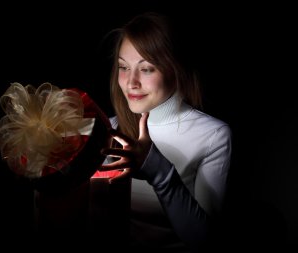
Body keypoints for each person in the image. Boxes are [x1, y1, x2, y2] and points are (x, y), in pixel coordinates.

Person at [99, 12, 232, 252]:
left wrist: (159, 171)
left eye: (147, 69)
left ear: (175, 69)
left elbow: (206, 241)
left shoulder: (213, 135)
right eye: (123, 67)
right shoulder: (107, 128)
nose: (131, 82)